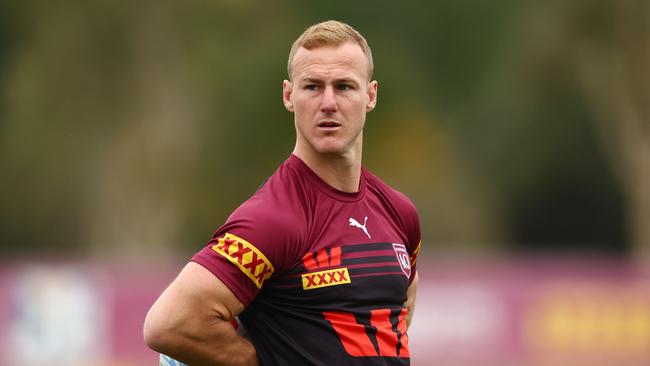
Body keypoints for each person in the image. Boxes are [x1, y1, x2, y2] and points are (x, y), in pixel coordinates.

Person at [144, 20, 421, 366]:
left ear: (371, 95)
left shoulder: (400, 213)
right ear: (289, 96)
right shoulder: (273, 219)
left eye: (345, 86)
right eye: (313, 87)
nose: (329, 103)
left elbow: (400, 309)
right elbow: (167, 325)